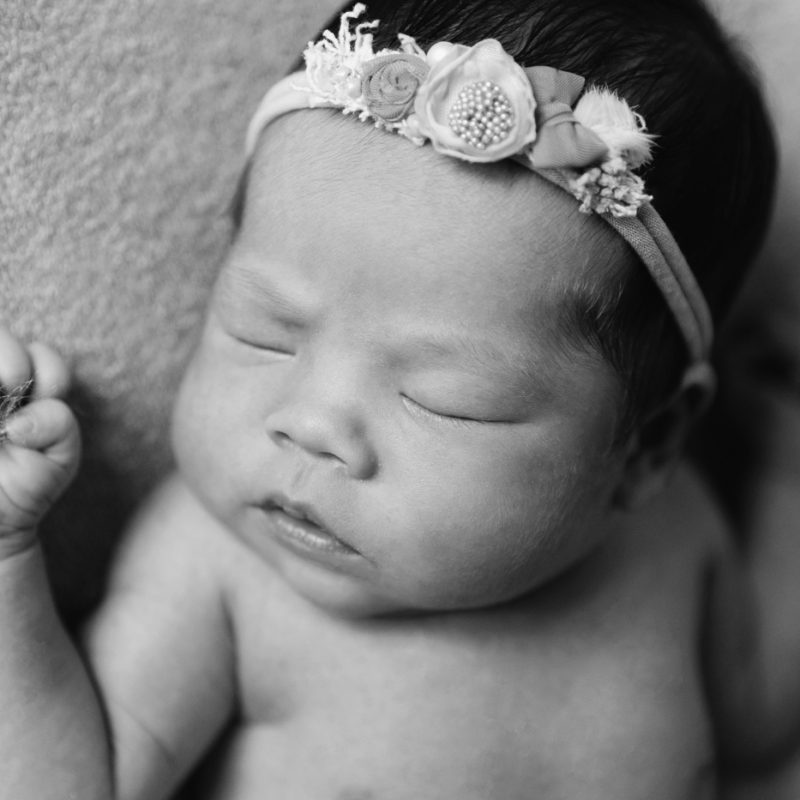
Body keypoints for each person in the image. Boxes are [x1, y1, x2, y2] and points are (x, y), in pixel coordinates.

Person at [0, 1, 784, 797]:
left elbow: (762, 710)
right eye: (263, 332)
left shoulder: (671, 536)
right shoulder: (219, 564)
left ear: (647, 445)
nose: (312, 426)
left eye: (444, 400)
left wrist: (784, 469)